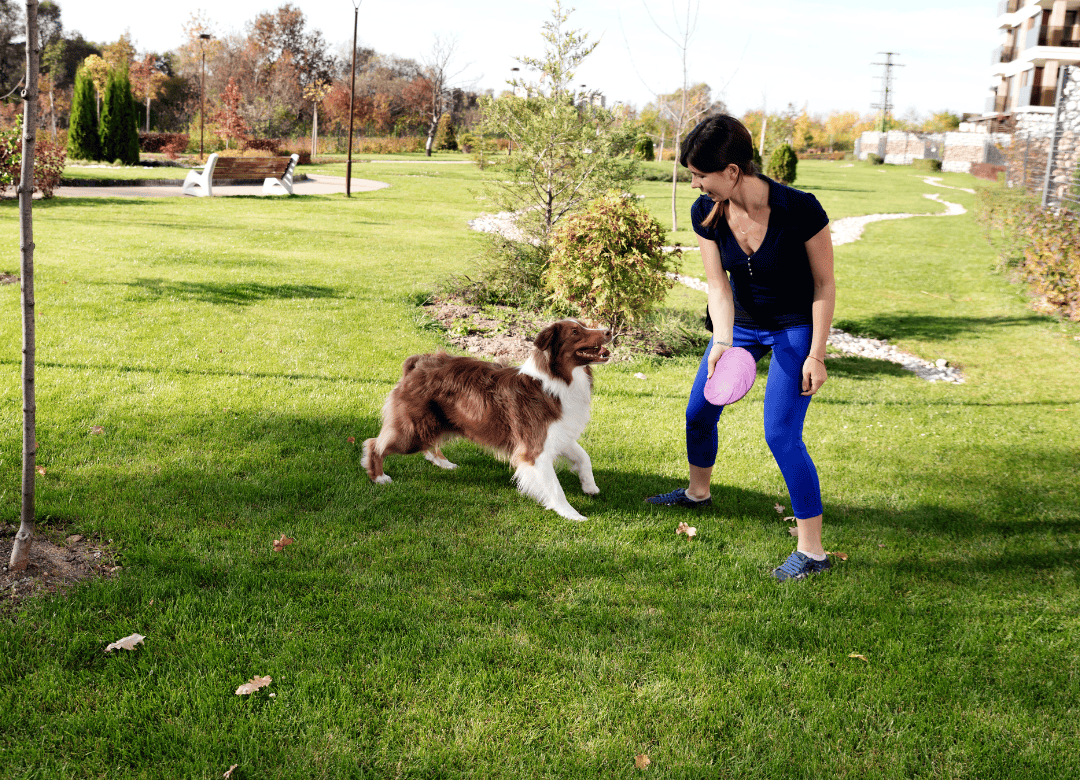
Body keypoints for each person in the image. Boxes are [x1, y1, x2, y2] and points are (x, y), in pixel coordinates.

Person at [645, 115, 836, 582]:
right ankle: (698, 493)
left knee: (781, 434)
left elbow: (824, 284)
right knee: (698, 412)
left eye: (700, 174)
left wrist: (816, 353)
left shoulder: (800, 209)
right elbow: (718, 285)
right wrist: (723, 341)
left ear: (732, 171)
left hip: (793, 327)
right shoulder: (706, 212)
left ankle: (812, 552)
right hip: (743, 326)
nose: (694, 184)